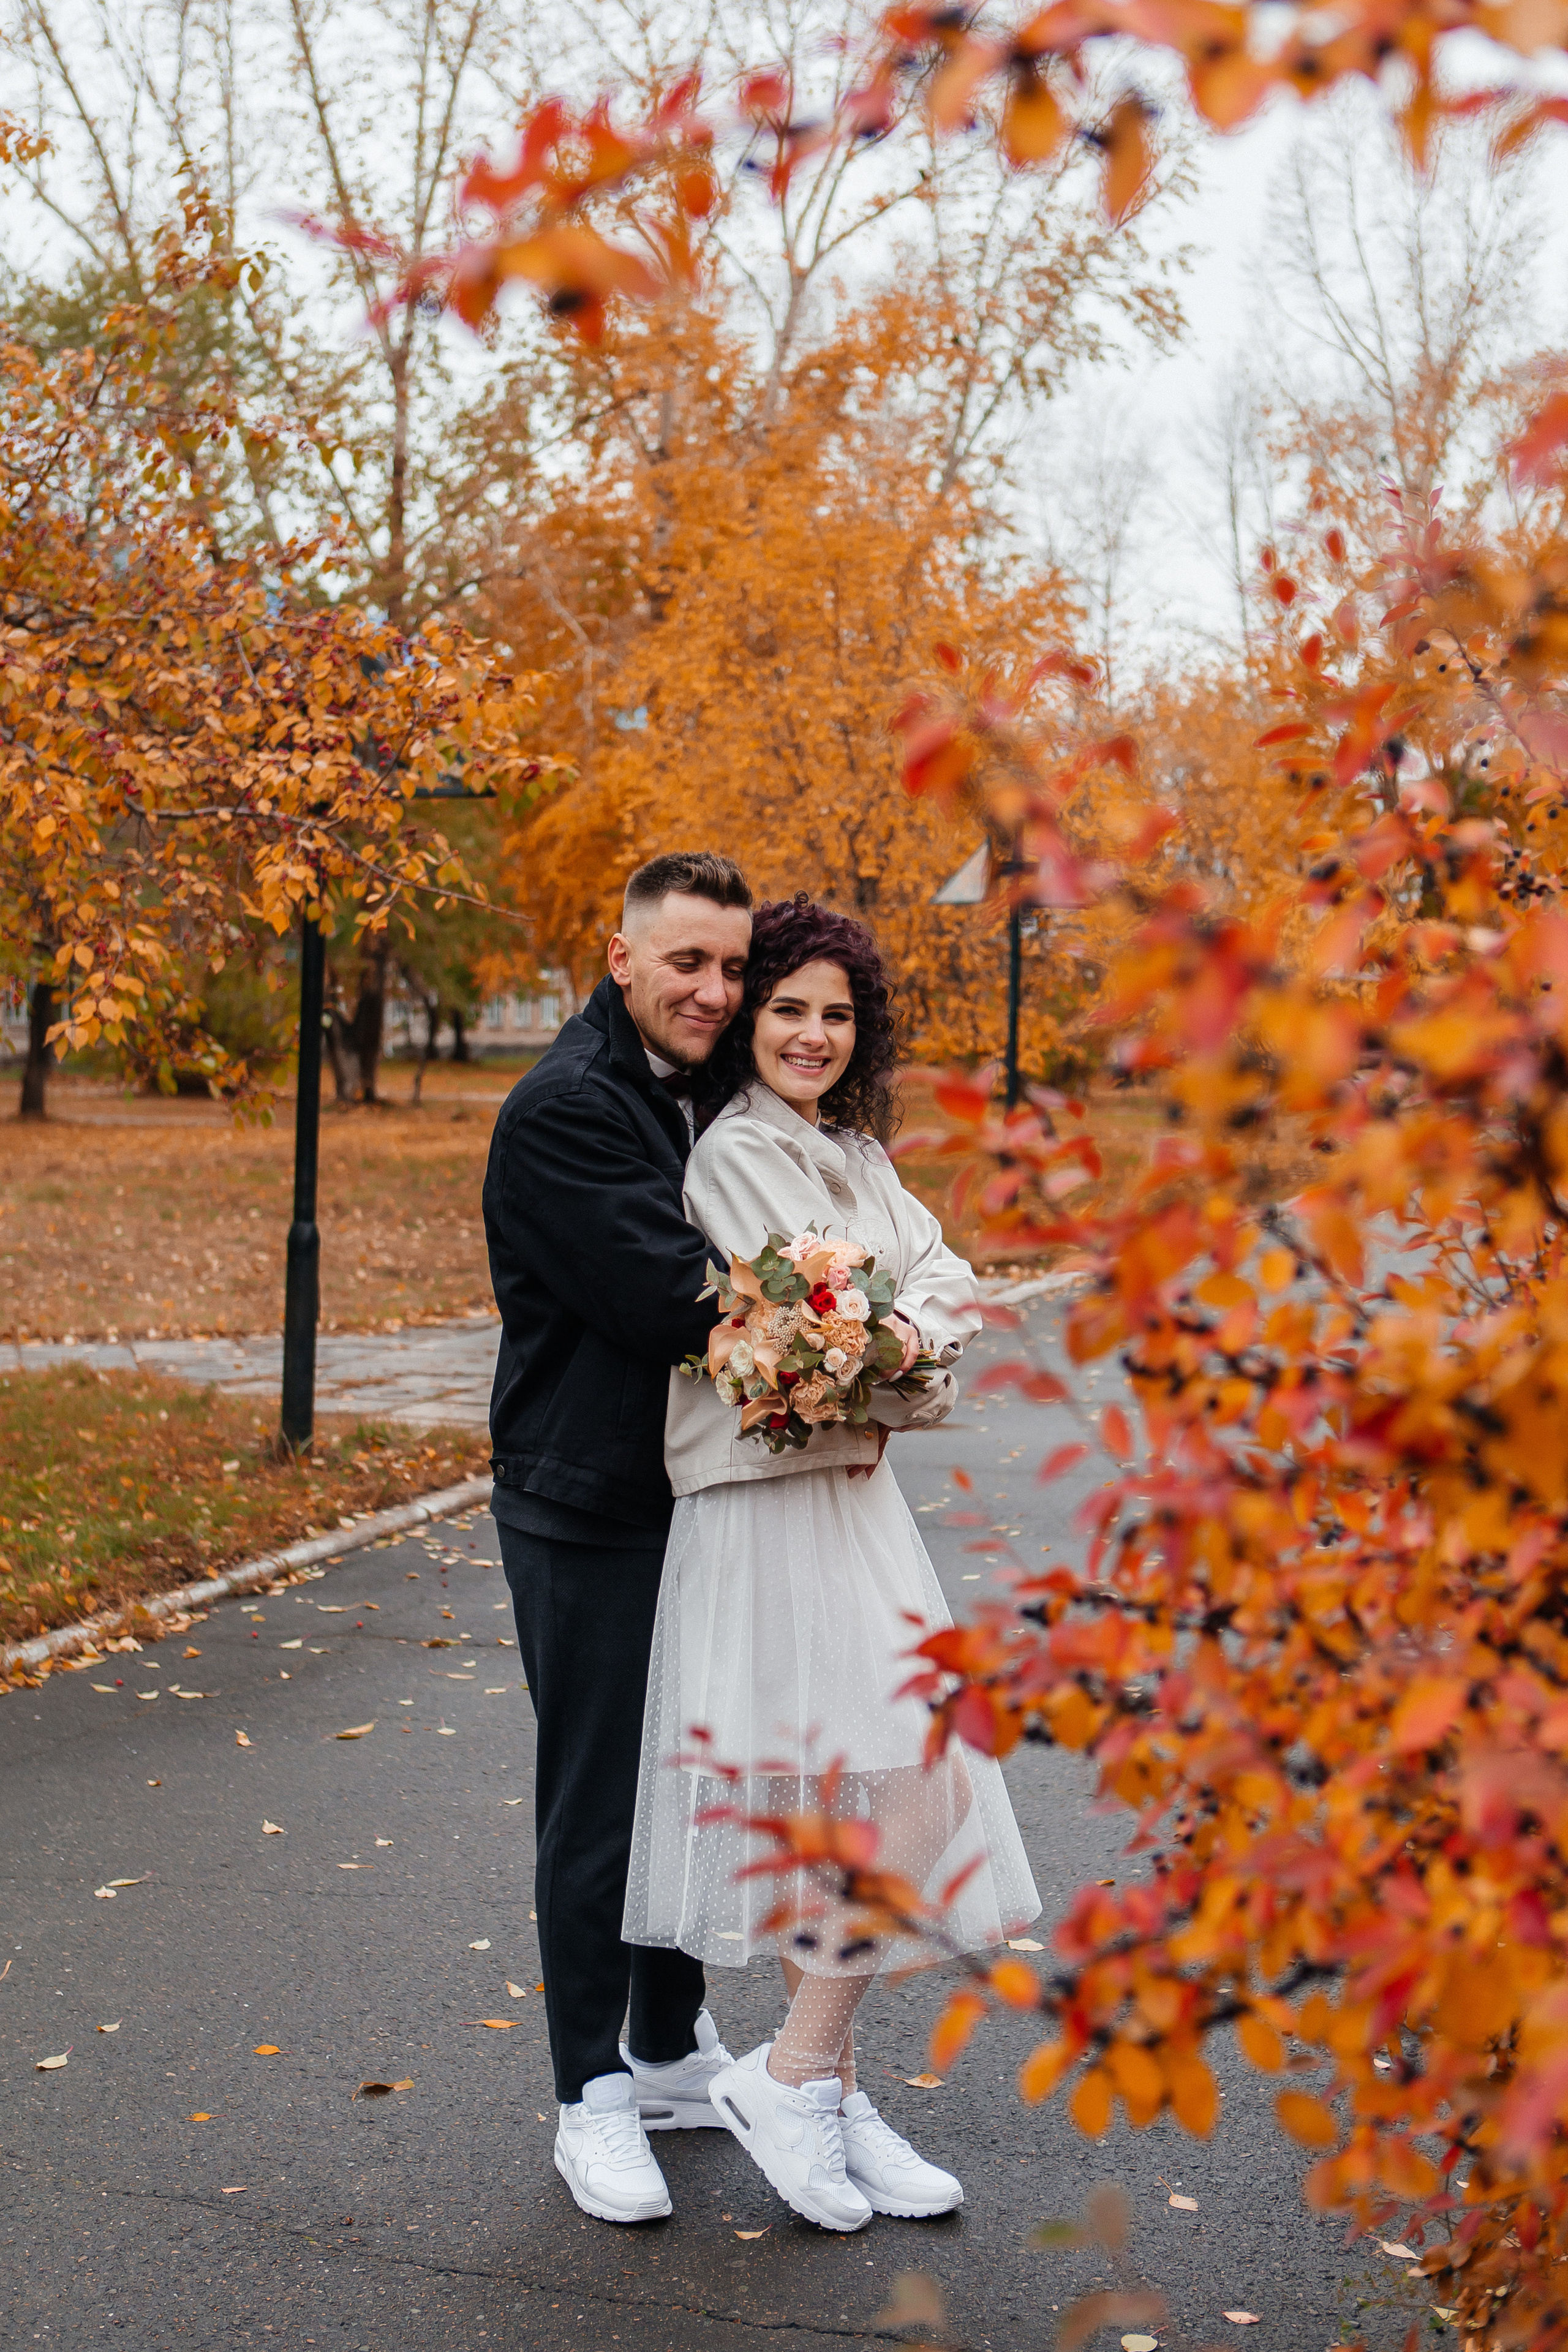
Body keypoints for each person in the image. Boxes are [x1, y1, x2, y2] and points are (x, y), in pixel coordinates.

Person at [623, 894, 1042, 2233]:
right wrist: (897, 1341)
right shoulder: (739, 1151)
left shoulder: (851, 1151)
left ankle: (818, 2076)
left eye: (834, 1013)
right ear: (750, 1019)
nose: (810, 1033)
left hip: (849, 1501)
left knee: (887, 1774)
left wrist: (897, 1335)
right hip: (766, 1502)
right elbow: (828, 1337)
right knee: (883, 1774)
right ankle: (797, 2072)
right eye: (787, 1008)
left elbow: (942, 1285)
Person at [483, 849, 754, 2226]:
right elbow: (678, 1303)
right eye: (686, 963)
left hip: (687, 1502)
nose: (712, 990)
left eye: (729, 967)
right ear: (620, 956)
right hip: (584, 1507)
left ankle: (665, 2051)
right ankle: (587, 2092)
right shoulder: (565, 1113)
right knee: (598, 1807)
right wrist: (846, 1313)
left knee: (690, 1790)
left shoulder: (708, 1088)